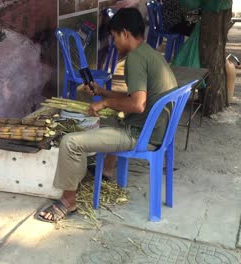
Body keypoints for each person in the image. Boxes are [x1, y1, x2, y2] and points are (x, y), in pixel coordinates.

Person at [36, 7, 178, 222]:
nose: (114, 43)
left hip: (141, 135)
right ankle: (106, 172)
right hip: (158, 130)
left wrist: (105, 102)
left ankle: (68, 201)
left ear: (125, 33)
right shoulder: (149, 53)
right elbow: (136, 96)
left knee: (70, 142)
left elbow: (138, 105)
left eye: (114, 37)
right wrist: (104, 92)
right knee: (110, 118)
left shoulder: (135, 59)